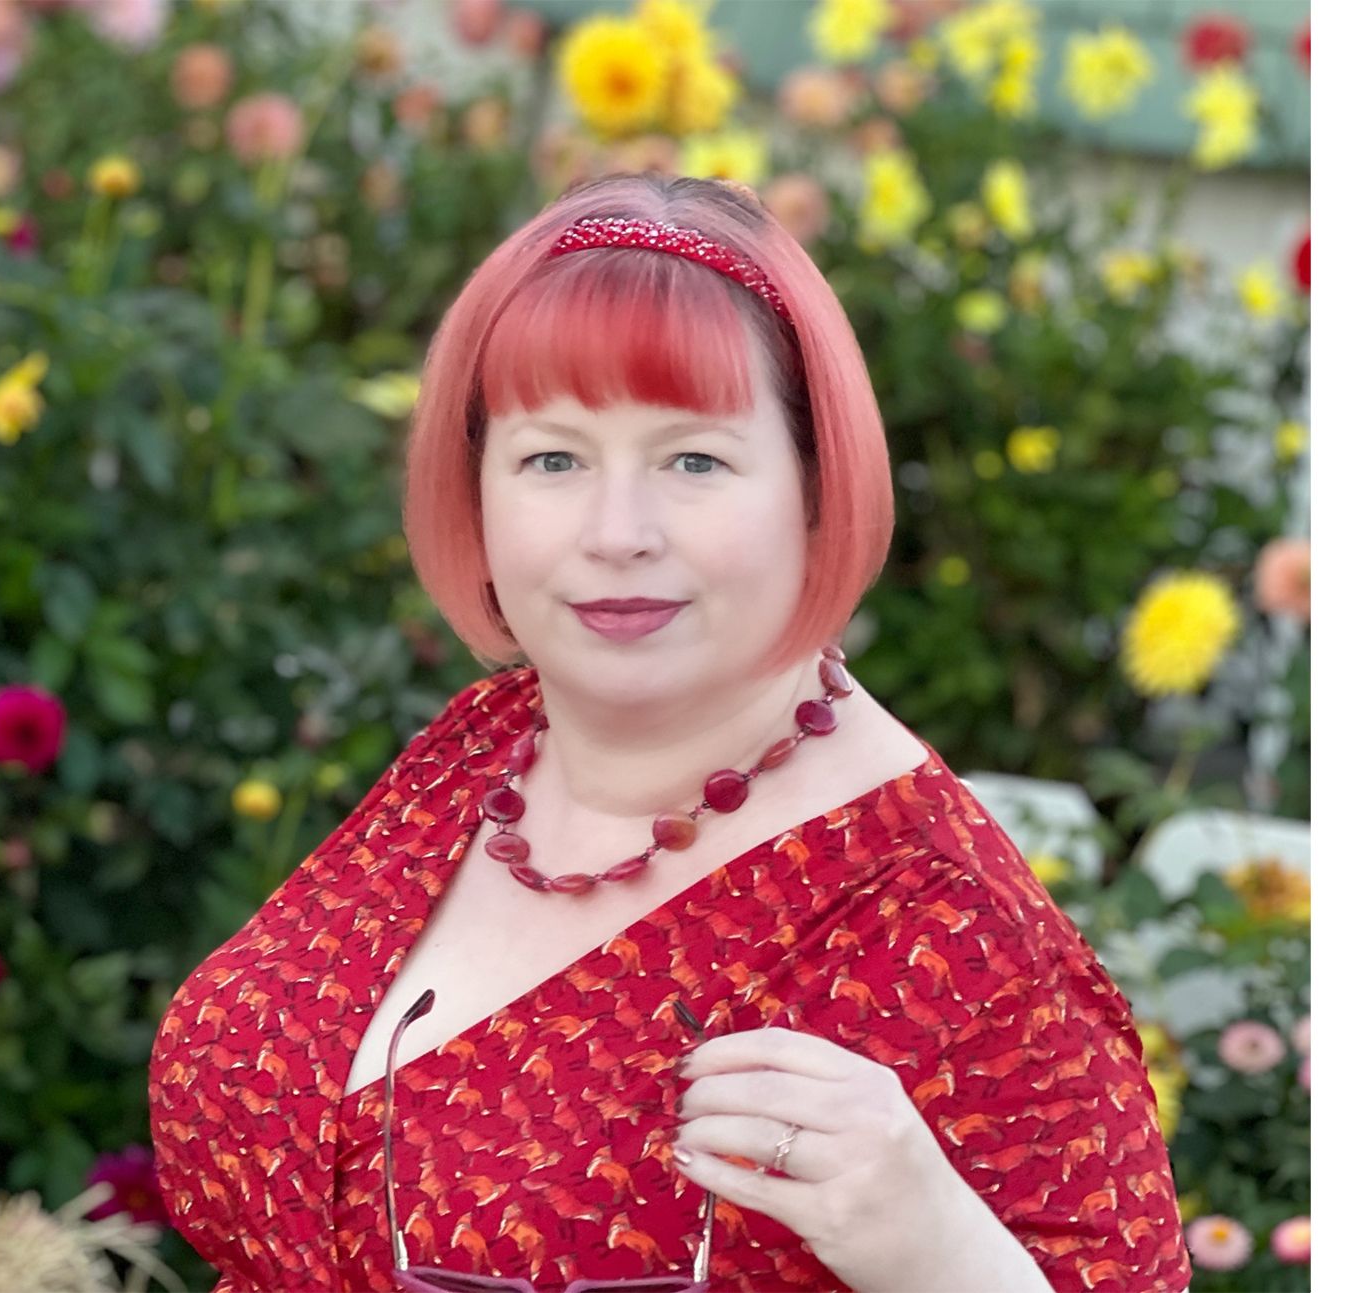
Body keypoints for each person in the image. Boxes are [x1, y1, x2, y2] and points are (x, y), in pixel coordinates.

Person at [149, 173, 1191, 1293]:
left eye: (693, 460)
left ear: (813, 486)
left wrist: (934, 1250)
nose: (616, 534)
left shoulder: (937, 928)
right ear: (476, 485)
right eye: (552, 458)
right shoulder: (484, 746)